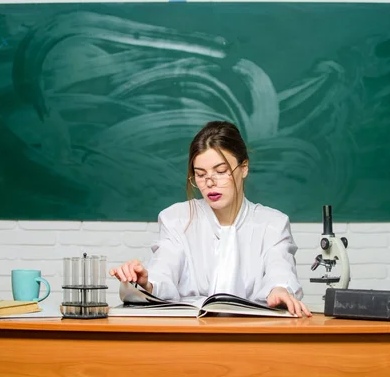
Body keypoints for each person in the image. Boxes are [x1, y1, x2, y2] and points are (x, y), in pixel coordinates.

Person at [109, 121, 311, 317]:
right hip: (191, 335)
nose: (210, 183)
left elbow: (280, 270)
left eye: (221, 172)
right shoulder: (176, 219)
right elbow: (163, 269)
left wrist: (280, 290)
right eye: (200, 174)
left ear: (244, 168)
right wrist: (146, 282)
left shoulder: (272, 224)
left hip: (253, 336)